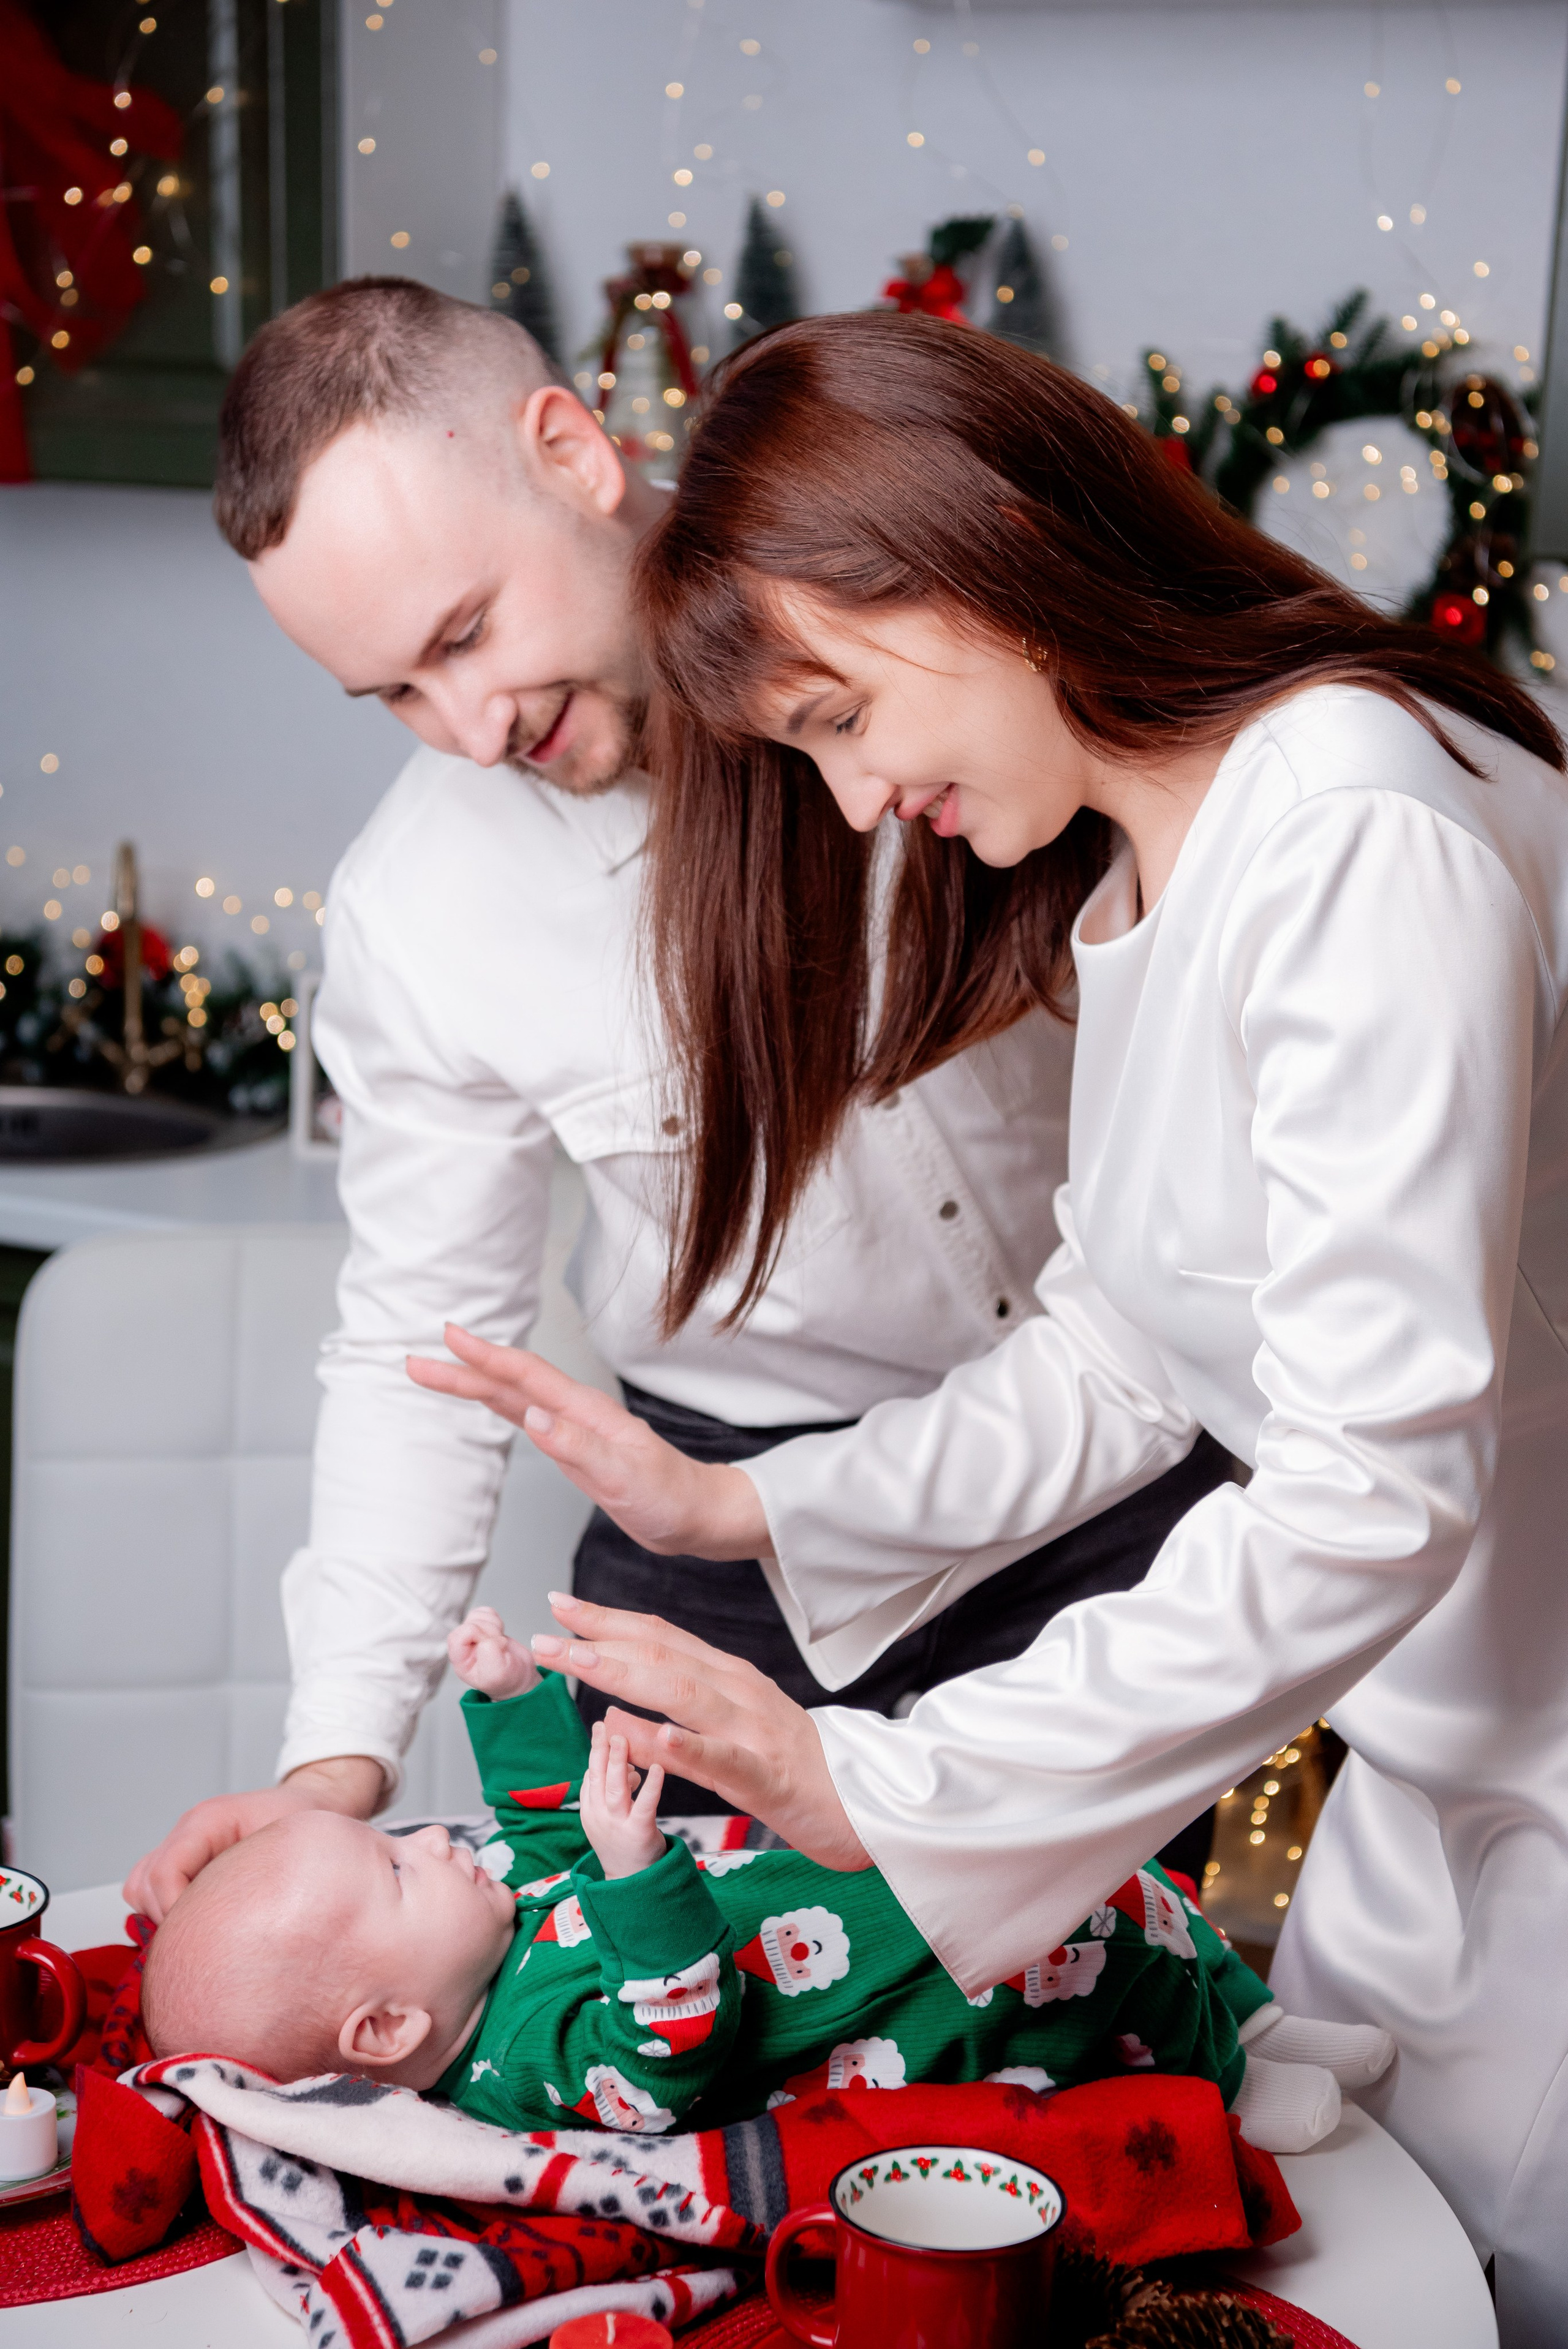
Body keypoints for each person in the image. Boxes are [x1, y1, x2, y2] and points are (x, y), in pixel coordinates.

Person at [409, 313, 1568, 2341]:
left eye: (845, 713)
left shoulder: (1355, 831)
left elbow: (1375, 1483)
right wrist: (744, 1509)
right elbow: (1131, 1340)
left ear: (971, 559)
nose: (856, 804)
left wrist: (905, 1781)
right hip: (1440, 1770)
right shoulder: (1165, 843)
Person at [125, 279, 1230, 1920]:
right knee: (678, 2037)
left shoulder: (909, 617)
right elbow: (420, 1343)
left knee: (1109, 2054)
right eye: (399, 698)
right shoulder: (418, 908)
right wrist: (332, 1768)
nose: (468, 729)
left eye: (464, 636)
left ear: (568, 450)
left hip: (1121, 1472)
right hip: (724, 1538)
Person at [140, 1606, 1392, 2153]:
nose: (435, 1842)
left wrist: (510, 1703)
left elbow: (537, 1839)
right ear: (387, 2025)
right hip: (902, 1997)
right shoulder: (523, 2066)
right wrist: (634, 1883)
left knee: (1117, 1869)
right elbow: (667, 2053)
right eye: (399, 1868)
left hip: (864, 1877)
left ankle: (1263, 2010)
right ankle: (1228, 2082)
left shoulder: (483, 1927)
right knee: (1090, 1958)